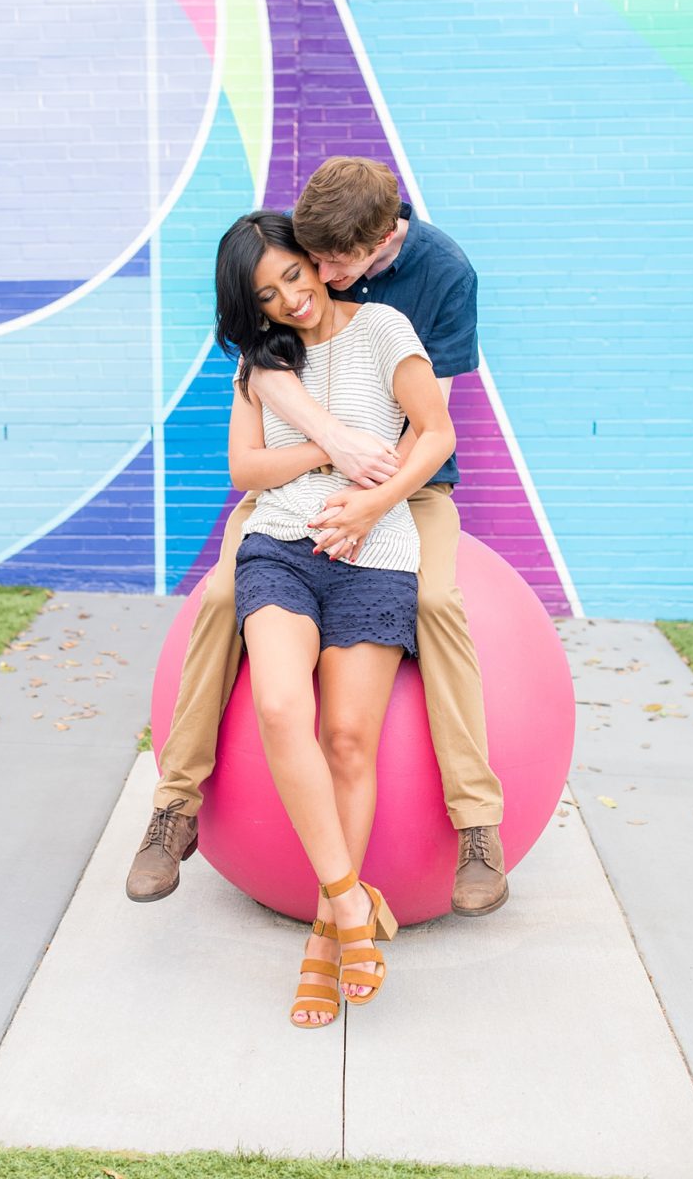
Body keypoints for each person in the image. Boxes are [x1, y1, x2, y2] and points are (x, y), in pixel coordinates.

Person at [127, 157, 507, 918]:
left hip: (406, 485)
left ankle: (476, 824)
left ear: (379, 244)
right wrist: (317, 432)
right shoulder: (302, 257)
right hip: (297, 489)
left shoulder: (438, 279)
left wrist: (372, 502)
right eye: (308, 261)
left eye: (329, 265)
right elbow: (260, 362)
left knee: (435, 602)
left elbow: (425, 426)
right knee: (224, 593)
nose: (319, 281)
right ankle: (175, 806)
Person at [220, 210, 454, 1025]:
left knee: (350, 741)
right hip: (281, 547)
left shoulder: (384, 327)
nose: (291, 298)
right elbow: (246, 466)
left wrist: (374, 503)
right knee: (282, 704)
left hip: (375, 553)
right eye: (267, 293)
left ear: (316, 263)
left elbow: (433, 431)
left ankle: (325, 940)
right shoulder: (260, 367)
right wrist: (328, 450)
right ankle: (352, 904)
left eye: (294, 274)